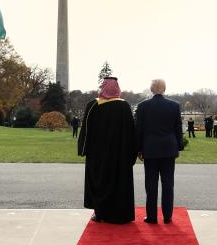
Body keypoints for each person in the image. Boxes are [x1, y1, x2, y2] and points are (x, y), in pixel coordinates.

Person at [77, 77, 137, 224]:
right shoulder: (124, 106)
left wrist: (83, 149)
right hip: (120, 155)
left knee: (100, 182)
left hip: (98, 155)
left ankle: (101, 213)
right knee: (119, 183)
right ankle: (120, 215)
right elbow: (131, 133)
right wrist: (132, 153)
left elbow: (85, 130)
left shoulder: (93, 105)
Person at [135, 79, 184, 224]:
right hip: (168, 148)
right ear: (164, 89)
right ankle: (167, 216)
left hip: (150, 149)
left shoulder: (143, 106)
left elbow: (139, 130)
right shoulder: (174, 106)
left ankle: (151, 216)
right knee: (168, 184)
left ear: (151, 89)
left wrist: (138, 148)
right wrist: (179, 146)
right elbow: (177, 128)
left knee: (151, 184)